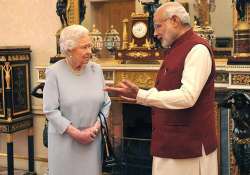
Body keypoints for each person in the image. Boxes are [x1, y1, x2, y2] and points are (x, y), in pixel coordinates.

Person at [105, 2, 218, 175]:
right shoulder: (175, 48)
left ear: (174, 20)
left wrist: (142, 95)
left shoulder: (197, 49)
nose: (155, 33)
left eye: (158, 26)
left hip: (188, 149)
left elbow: (188, 96)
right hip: (169, 144)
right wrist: (139, 96)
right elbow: (167, 91)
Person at [43, 24, 111, 175]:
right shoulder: (54, 73)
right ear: (69, 49)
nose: (89, 52)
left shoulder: (96, 70)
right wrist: (77, 134)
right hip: (65, 142)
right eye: (84, 47)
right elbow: (50, 110)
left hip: (92, 141)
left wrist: (95, 129)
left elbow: (106, 103)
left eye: (90, 46)